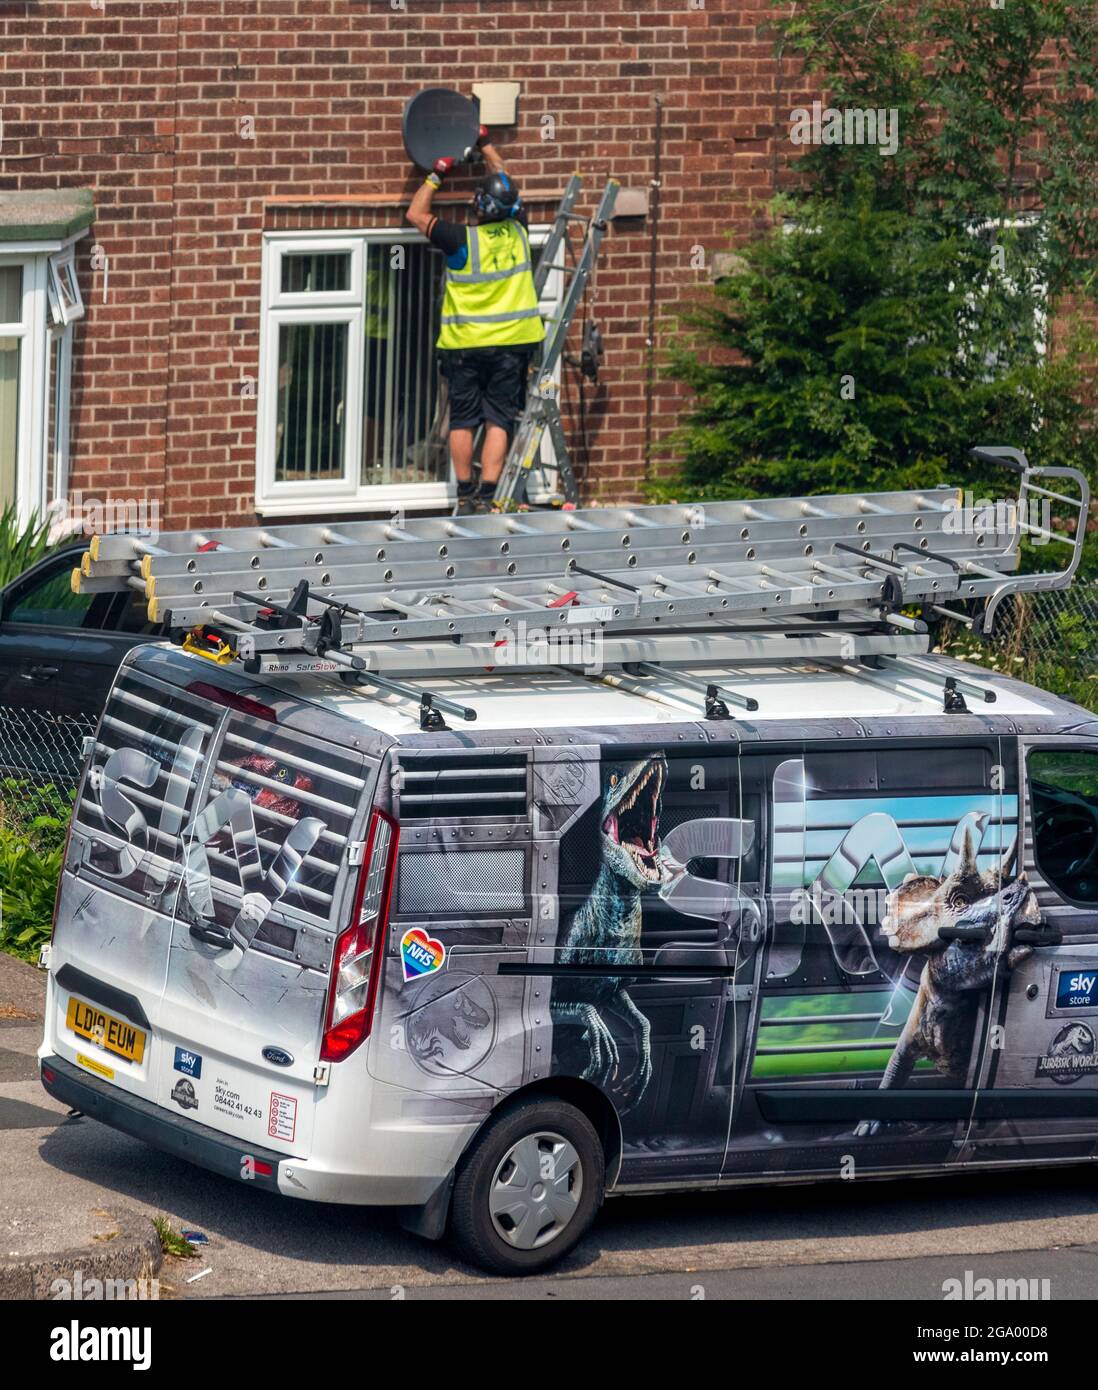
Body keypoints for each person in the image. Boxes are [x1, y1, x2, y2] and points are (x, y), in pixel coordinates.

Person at [406, 128, 544, 512]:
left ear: (479, 205)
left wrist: (436, 174)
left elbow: (416, 213)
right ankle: (487, 495)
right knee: (500, 418)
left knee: (464, 420)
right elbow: (507, 182)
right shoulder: (519, 230)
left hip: (465, 347)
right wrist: (485, 144)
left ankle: (465, 493)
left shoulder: (459, 239)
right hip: (512, 347)